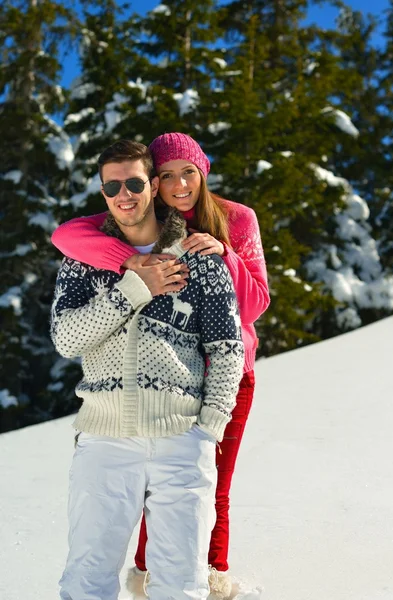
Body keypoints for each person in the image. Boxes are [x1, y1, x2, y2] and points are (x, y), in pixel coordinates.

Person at [51, 133, 270, 600]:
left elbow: (228, 347)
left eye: (133, 184)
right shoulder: (84, 259)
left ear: (151, 186)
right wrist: (135, 285)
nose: (123, 196)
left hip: (181, 438)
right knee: (87, 576)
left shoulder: (201, 254)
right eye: (111, 188)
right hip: (105, 440)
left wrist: (207, 428)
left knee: (180, 583)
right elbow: (67, 339)